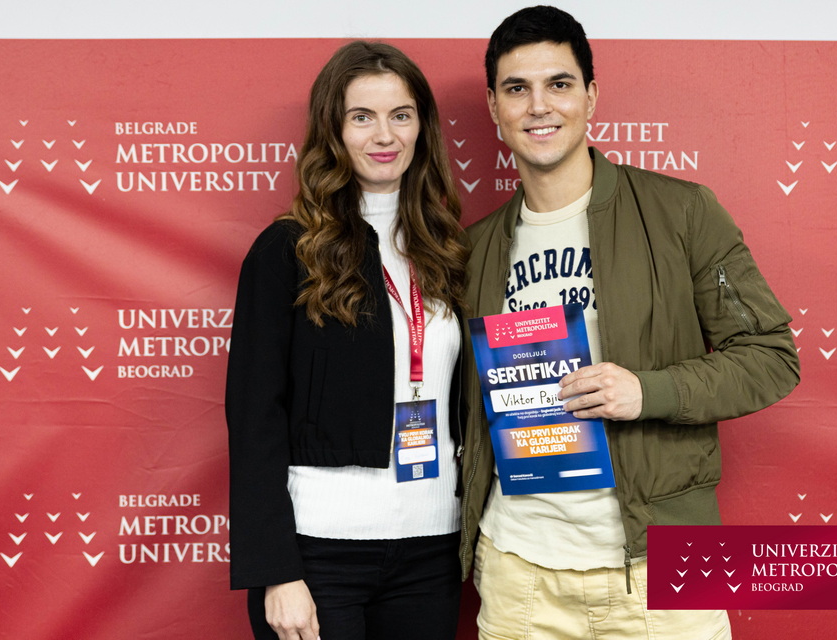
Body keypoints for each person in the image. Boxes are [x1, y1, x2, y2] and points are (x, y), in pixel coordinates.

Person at [459, 6, 800, 639]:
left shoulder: (681, 213)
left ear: (590, 96)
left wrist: (649, 391)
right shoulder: (474, 249)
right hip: (518, 574)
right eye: (517, 88)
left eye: (559, 84)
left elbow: (771, 357)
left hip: (663, 571)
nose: (539, 106)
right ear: (493, 107)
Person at [226, 41, 468, 640]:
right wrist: (277, 572)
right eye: (362, 117)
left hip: (432, 551)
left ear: (422, 127)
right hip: (319, 554)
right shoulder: (288, 249)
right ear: (333, 129)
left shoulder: (450, 249)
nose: (384, 135)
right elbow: (254, 415)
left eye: (401, 115)